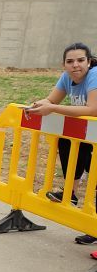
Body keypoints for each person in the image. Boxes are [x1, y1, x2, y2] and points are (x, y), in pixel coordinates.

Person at [27, 42, 97, 244]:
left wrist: (53, 109)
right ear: (63, 65)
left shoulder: (94, 75)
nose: (76, 65)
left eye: (81, 60)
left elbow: (92, 109)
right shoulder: (66, 78)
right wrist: (35, 105)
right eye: (70, 61)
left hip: (93, 129)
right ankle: (71, 193)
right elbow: (51, 100)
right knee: (66, 142)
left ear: (89, 62)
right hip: (91, 134)